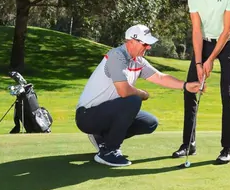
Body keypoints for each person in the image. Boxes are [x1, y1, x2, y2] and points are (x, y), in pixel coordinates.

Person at [76, 24, 201, 168]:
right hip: (87, 116)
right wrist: (142, 93)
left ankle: (103, 139)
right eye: (145, 43)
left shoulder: (138, 61)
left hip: (106, 113)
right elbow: (124, 91)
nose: (148, 47)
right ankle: (109, 152)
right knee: (133, 100)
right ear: (131, 41)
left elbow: (160, 77)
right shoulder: (116, 56)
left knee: (149, 123)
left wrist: (186, 86)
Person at [172, 0, 230, 164]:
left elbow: (226, 31)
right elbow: (196, 30)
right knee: (190, 88)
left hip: (226, 43)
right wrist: (200, 63)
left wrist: (210, 60)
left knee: (227, 95)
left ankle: (227, 148)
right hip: (204, 42)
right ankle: (188, 144)